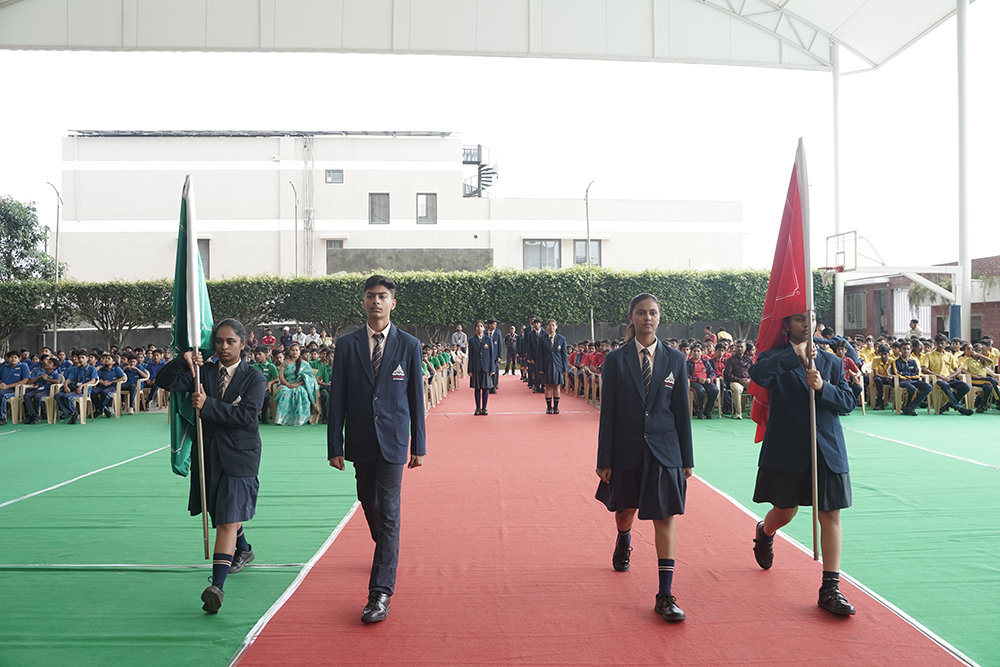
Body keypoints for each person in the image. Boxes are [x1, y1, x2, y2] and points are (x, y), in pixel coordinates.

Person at [327, 275, 426, 624]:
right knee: (368, 501)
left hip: (395, 442)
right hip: (360, 440)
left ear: (392, 303)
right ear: (363, 301)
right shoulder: (347, 345)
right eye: (370, 296)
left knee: (389, 512)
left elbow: (416, 400)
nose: (376, 301)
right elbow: (337, 398)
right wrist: (334, 445)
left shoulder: (409, 345)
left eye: (382, 296)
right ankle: (385, 542)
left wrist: (419, 445)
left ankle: (380, 593)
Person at [749, 312, 857, 616]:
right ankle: (765, 532)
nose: (805, 323)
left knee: (830, 514)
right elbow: (758, 375)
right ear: (786, 324)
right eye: (798, 318)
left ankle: (830, 589)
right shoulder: (773, 358)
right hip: (788, 448)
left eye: (809, 317)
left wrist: (823, 387)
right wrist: (792, 355)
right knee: (786, 511)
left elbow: (848, 402)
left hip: (827, 448)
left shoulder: (832, 362)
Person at [156, 318, 266, 614]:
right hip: (208, 455)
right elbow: (164, 381)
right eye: (219, 341)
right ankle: (244, 549)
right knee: (221, 513)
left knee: (227, 520)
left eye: (231, 341)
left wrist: (208, 405)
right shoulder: (201, 373)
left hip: (241, 457)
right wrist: (183, 360)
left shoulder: (255, 378)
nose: (224, 347)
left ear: (243, 343)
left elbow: (247, 416)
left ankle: (216, 587)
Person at [595, 293, 694, 623]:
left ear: (659, 317)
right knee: (625, 513)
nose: (647, 318)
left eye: (652, 312)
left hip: (665, 451)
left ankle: (665, 595)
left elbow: (681, 413)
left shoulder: (676, 360)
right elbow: (608, 412)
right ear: (632, 317)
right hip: (626, 449)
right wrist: (604, 459)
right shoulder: (615, 360)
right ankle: (624, 539)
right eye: (641, 312)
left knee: (664, 517)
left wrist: (686, 459)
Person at [273, 343, 319, 426]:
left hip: (301, 385)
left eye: (296, 350)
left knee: (301, 392)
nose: (294, 352)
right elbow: (281, 376)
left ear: (299, 352)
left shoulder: (304, 364)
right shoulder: (285, 363)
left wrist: (298, 384)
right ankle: (282, 419)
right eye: (292, 350)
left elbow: (309, 377)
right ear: (290, 351)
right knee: (284, 393)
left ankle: (299, 419)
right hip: (287, 384)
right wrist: (288, 384)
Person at [536, 318, 568, 414]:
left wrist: (565, 368)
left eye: (553, 325)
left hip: (558, 365)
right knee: (548, 386)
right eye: (549, 325)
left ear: (556, 327)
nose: (551, 327)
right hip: (546, 365)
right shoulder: (542, 339)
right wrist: (540, 368)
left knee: (557, 386)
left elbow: (564, 355)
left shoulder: (561, 339)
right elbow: (539, 354)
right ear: (547, 327)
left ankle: (556, 407)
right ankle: (549, 407)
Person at [892, 341, 931, 416]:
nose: (906, 351)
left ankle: (911, 406)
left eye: (908, 349)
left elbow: (917, 374)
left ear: (911, 350)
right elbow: (897, 374)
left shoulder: (914, 361)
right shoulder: (895, 361)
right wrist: (908, 376)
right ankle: (906, 406)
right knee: (911, 388)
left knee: (928, 387)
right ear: (900, 350)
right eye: (904, 349)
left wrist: (905, 374)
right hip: (901, 382)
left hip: (913, 381)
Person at [21, 356, 63, 424]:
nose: (47, 363)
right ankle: (34, 414)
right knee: (26, 396)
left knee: (37, 396)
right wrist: (38, 377)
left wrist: (47, 379)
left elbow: (58, 381)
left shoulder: (56, 373)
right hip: (39, 389)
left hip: (47, 391)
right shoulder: (43, 372)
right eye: (47, 362)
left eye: (49, 363)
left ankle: (36, 414)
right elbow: (29, 382)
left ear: (54, 367)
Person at [467, 320, 496, 415]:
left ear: (484, 328)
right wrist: (470, 369)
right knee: (477, 388)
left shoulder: (489, 339)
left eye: (481, 326)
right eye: (477, 326)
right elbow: (470, 355)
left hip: (486, 367)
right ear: (475, 328)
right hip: (476, 367)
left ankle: (484, 408)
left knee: (486, 388)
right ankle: (477, 408)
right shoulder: (472, 340)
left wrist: (492, 368)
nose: (479, 328)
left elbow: (491, 355)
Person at [0, 350, 33, 425]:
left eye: (15, 357)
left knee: (2, 395)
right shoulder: (4, 367)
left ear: (19, 358)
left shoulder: (23, 366)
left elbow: (25, 380)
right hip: (4, 388)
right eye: (11, 357)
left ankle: (2, 418)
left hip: (17, 390)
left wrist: (7, 386)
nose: (13, 359)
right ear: (7, 358)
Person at [688, 344, 719, 419]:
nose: (696, 353)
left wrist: (709, 378)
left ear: (702, 352)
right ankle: (699, 411)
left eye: (698, 351)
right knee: (700, 391)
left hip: (706, 381)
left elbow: (712, 372)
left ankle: (708, 410)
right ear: (691, 352)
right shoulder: (688, 363)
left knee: (715, 390)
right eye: (694, 351)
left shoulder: (705, 362)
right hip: (694, 382)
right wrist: (697, 380)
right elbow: (686, 375)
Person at [724, 340, 753, 419]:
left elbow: (753, 372)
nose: (739, 348)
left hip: (747, 381)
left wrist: (749, 379)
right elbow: (728, 375)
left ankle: (751, 412)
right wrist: (739, 380)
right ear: (735, 348)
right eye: (738, 347)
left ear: (745, 348)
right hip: (735, 382)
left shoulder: (749, 360)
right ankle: (738, 413)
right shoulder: (730, 360)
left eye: (741, 347)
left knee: (758, 387)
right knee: (737, 390)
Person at [91, 352, 126, 419]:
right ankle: (103, 409)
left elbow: (123, 378)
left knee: (104, 393)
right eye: (106, 358)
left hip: (113, 387)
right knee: (92, 392)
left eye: (109, 359)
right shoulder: (102, 369)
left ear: (114, 362)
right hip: (103, 386)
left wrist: (113, 382)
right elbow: (96, 378)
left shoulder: (117, 369)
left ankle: (99, 410)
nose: (106, 359)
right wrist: (102, 382)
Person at [487, 318, 502, 393]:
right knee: (488, 372)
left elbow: (500, 345)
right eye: (493, 324)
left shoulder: (498, 333)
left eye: (496, 324)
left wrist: (499, 356)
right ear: (489, 325)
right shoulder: (485, 333)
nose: (495, 325)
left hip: (495, 356)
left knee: (495, 371)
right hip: (487, 356)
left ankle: (494, 386)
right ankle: (488, 385)